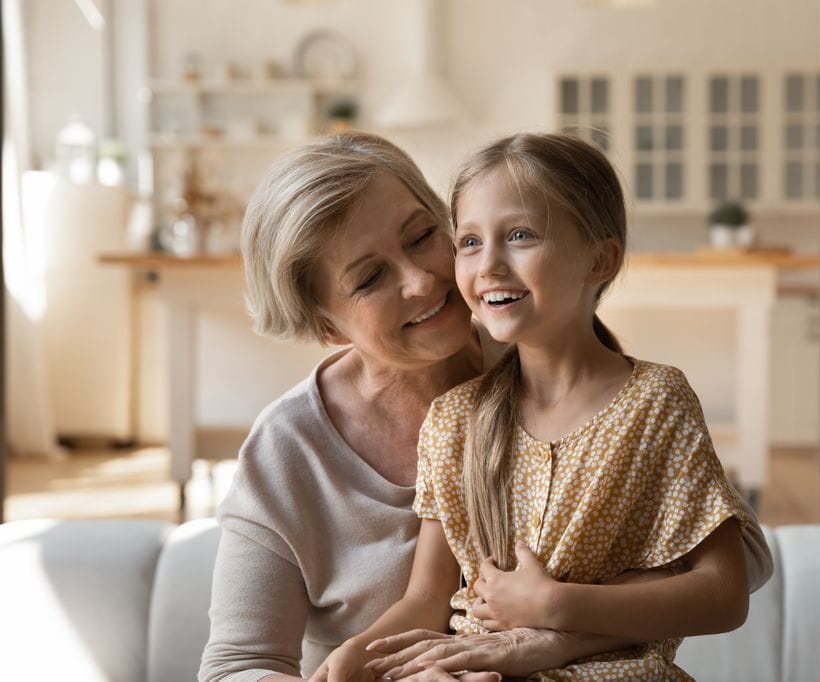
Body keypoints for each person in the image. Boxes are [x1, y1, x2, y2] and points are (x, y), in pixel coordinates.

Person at [199, 132, 772, 682]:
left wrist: (544, 630)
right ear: (326, 326)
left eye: (424, 236)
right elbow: (234, 667)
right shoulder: (298, 447)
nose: (424, 282)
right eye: (371, 277)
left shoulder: (564, 357)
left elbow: (718, 574)